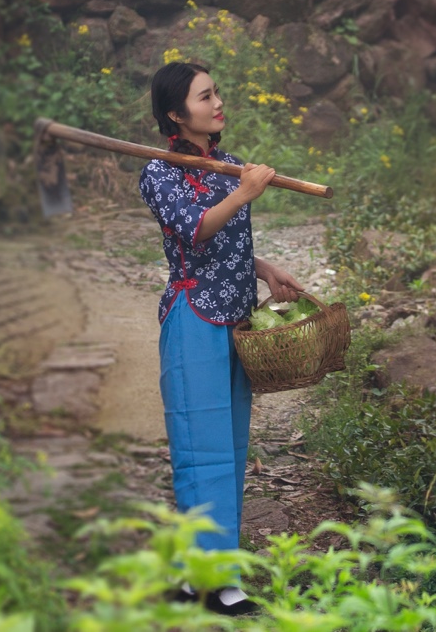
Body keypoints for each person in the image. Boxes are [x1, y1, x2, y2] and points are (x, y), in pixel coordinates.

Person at [139, 61, 304, 615]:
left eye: (216, 94)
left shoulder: (230, 165)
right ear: (174, 113)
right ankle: (217, 584)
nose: (217, 103)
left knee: (228, 448)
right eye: (204, 97)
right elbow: (195, 230)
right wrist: (246, 192)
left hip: (234, 318)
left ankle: (195, 574)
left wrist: (266, 269)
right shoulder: (159, 173)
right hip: (192, 319)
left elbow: (229, 242)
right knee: (198, 446)